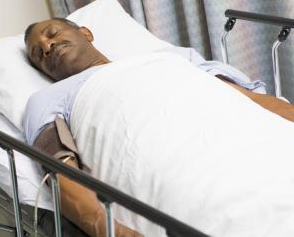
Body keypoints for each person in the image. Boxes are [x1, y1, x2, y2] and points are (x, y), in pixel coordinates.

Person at [23, 18, 294, 237]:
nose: (47, 46)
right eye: (38, 53)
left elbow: (250, 100)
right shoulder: (48, 100)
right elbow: (61, 173)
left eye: (52, 33)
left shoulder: (170, 57)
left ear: (85, 32)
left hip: (251, 139)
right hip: (182, 176)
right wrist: (112, 231)